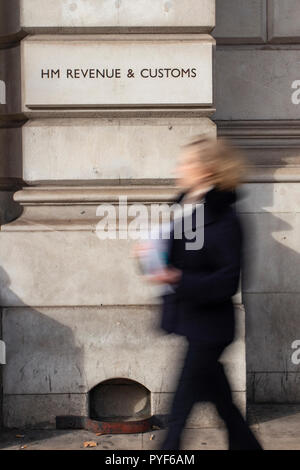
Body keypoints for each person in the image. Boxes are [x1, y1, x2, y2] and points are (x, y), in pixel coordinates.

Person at [145, 137, 263, 450]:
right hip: (190, 320)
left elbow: (227, 281)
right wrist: (151, 256)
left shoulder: (226, 218)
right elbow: (174, 261)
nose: (178, 169)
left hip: (210, 328)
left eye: (186, 164)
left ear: (207, 170)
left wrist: (177, 277)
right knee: (223, 404)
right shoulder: (186, 209)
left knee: (178, 412)